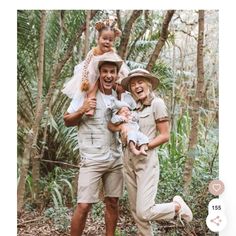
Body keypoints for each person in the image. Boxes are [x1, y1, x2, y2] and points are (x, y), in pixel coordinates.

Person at [109, 68, 193, 236]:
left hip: (146, 160)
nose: (136, 86)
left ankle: (177, 207)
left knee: (144, 211)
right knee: (136, 212)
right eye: (132, 84)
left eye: (140, 82)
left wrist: (146, 146)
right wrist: (122, 126)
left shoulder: (157, 104)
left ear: (148, 84)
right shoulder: (132, 108)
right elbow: (112, 125)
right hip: (128, 160)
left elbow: (164, 135)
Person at [63, 52, 124, 236]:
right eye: (105, 71)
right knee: (83, 205)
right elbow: (67, 120)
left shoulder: (119, 95)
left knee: (113, 202)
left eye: (112, 72)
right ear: (99, 73)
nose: (108, 75)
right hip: (91, 159)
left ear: (116, 74)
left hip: (115, 158)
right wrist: (83, 109)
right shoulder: (86, 93)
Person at [62, 16, 129, 116]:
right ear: (98, 39)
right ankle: (90, 108)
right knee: (92, 88)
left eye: (110, 40)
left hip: (108, 77)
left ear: (113, 42)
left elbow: (120, 65)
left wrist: (121, 78)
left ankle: (122, 107)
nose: (107, 42)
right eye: (104, 38)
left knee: (121, 89)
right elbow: (86, 65)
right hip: (93, 76)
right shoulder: (93, 52)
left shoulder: (112, 54)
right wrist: (85, 80)